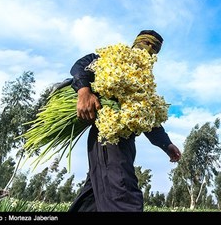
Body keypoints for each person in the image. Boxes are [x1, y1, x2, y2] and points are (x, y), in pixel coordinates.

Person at [68, 30, 182, 212]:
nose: (149, 49)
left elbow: (145, 116)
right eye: (147, 42)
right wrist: (84, 92)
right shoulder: (114, 59)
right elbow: (81, 65)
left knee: (95, 197)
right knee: (123, 195)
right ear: (136, 42)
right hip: (109, 134)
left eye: (155, 48)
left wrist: (166, 144)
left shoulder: (144, 80)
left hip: (125, 140)